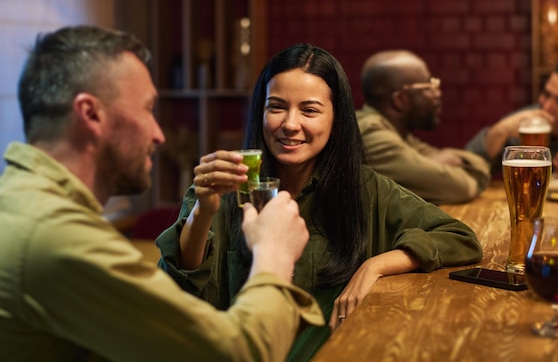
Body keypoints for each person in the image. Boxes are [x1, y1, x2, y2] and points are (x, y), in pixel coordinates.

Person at [0, 25, 324, 362]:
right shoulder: (58, 236)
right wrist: (274, 253)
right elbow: (237, 354)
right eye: (147, 109)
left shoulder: (20, 201)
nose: (159, 135)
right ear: (91, 113)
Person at [156, 43, 483, 362]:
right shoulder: (229, 188)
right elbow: (177, 291)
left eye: (309, 110)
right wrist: (204, 211)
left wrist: (377, 265)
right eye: (277, 106)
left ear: (336, 120)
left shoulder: (363, 188)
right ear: (261, 112)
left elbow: (459, 238)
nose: (290, 124)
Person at [356, 50, 491, 204]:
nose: (437, 93)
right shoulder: (372, 135)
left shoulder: (393, 130)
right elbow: (459, 187)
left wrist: (433, 163)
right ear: (400, 100)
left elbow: (477, 164)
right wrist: (434, 164)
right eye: (428, 87)